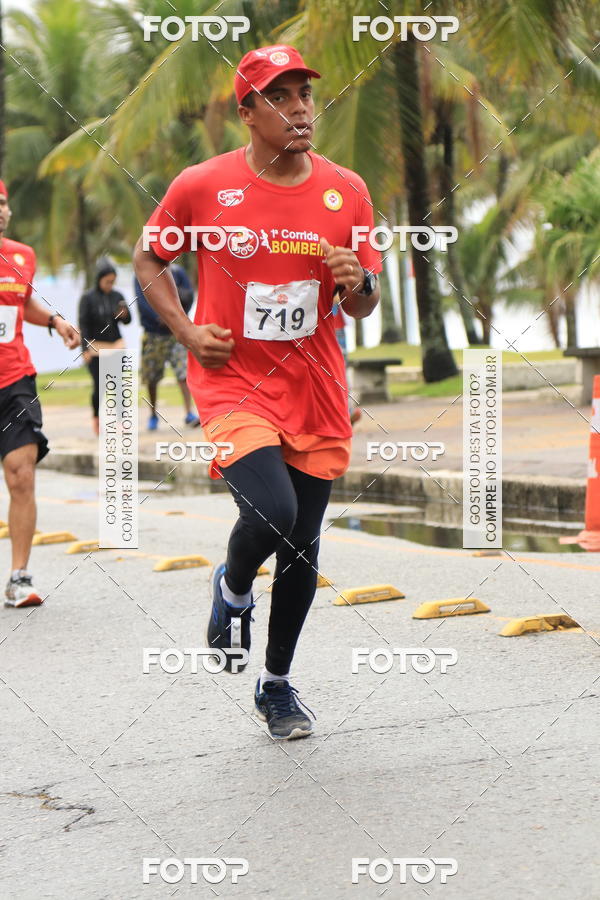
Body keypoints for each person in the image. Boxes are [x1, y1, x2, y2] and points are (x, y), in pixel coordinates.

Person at [133, 45, 381, 740]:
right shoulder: (202, 187)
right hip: (233, 378)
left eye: (305, 94)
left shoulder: (348, 191)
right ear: (247, 113)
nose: (301, 109)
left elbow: (365, 303)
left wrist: (356, 279)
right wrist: (184, 332)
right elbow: (150, 256)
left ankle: (275, 685)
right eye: (281, 97)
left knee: (302, 545)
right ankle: (234, 586)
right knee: (270, 510)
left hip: (317, 385)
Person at [0, 179, 79, 607]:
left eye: (1, 204)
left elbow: (21, 303)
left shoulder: (21, 256)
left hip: (14, 378)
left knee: (21, 472)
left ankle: (19, 577)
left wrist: (55, 321)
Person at [135, 264, 200, 429]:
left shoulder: (178, 272)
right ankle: (153, 414)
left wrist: (175, 319)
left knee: (183, 372)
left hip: (175, 333)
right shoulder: (142, 271)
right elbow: (142, 301)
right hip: (153, 333)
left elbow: (189, 296)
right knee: (151, 377)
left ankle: (188, 412)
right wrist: (161, 316)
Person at [78, 257, 131, 435]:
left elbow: (128, 321)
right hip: (96, 348)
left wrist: (124, 315)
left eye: (112, 282)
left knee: (118, 385)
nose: (110, 285)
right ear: (99, 279)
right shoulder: (87, 298)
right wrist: (83, 349)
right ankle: (97, 418)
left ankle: (120, 421)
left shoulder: (118, 296)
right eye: (107, 281)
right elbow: (83, 325)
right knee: (100, 386)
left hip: (115, 345)